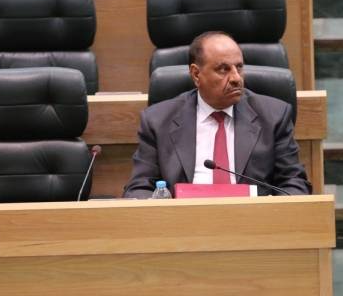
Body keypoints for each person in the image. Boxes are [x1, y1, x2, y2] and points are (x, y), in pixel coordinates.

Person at [123, 31, 311, 199]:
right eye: (223, 69)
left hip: (253, 220)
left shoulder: (274, 116)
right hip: (182, 221)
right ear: (196, 74)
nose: (236, 78)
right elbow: (139, 188)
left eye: (239, 67)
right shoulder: (157, 121)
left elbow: (294, 183)